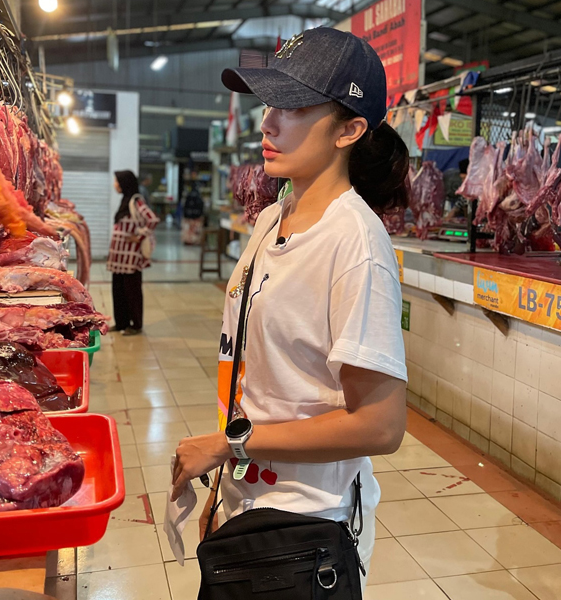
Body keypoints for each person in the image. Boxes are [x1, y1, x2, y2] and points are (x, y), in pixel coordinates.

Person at [169, 26, 410, 590]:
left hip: (306, 530)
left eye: (296, 106)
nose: (268, 122)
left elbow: (381, 425)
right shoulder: (271, 219)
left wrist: (230, 444)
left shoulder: (355, 243)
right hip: (248, 503)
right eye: (269, 103)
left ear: (350, 129)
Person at [107, 170, 158, 336]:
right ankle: (121, 322)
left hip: (130, 256)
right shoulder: (125, 201)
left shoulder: (136, 201)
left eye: (117, 181)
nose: (115, 184)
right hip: (119, 256)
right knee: (118, 290)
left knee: (132, 291)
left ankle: (135, 325)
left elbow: (152, 219)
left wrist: (140, 235)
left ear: (125, 183)